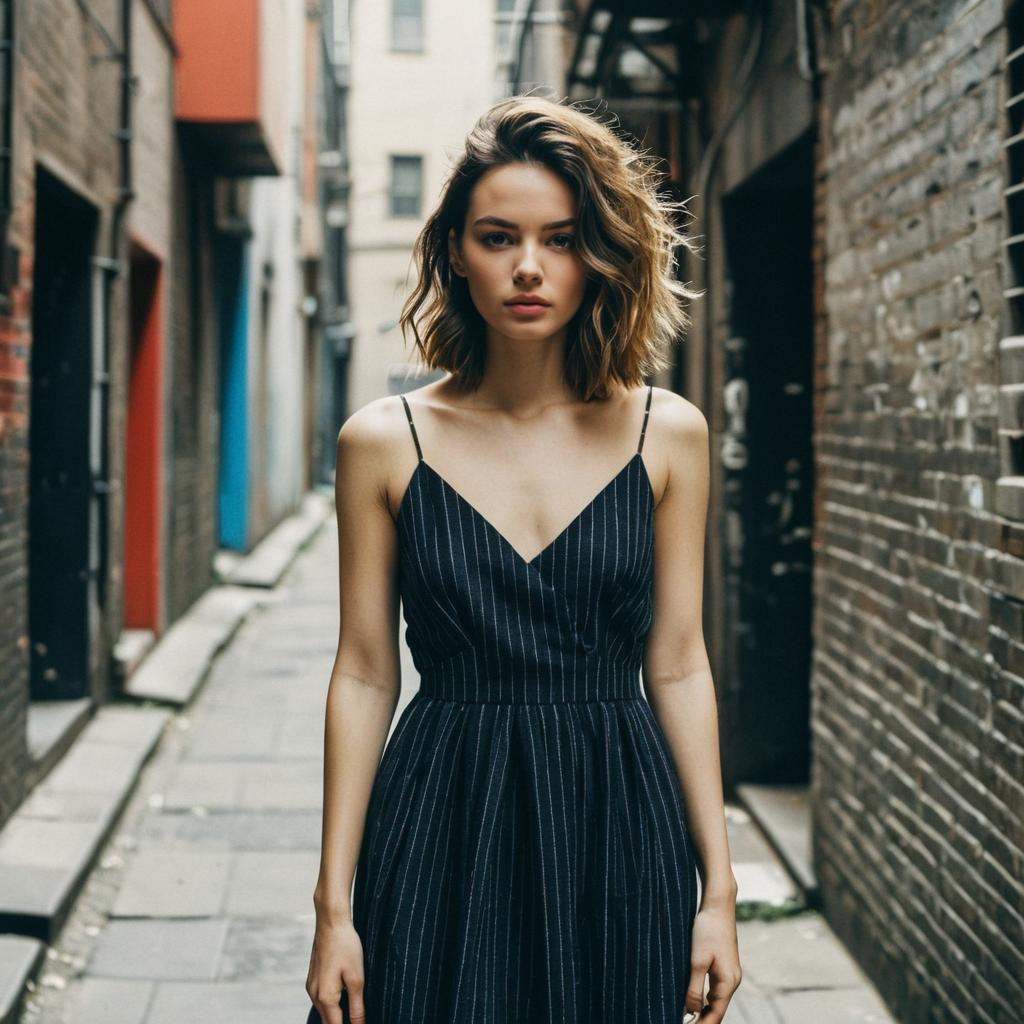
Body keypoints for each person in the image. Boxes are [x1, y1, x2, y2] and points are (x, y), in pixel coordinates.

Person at [304, 94, 741, 1024]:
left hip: (620, 820)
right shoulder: (384, 440)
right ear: (456, 254)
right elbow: (365, 672)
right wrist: (333, 906)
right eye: (498, 237)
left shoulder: (669, 435)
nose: (530, 268)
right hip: (441, 814)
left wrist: (720, 890)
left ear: (601, 255)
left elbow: (678, 661)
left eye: (563, 237)